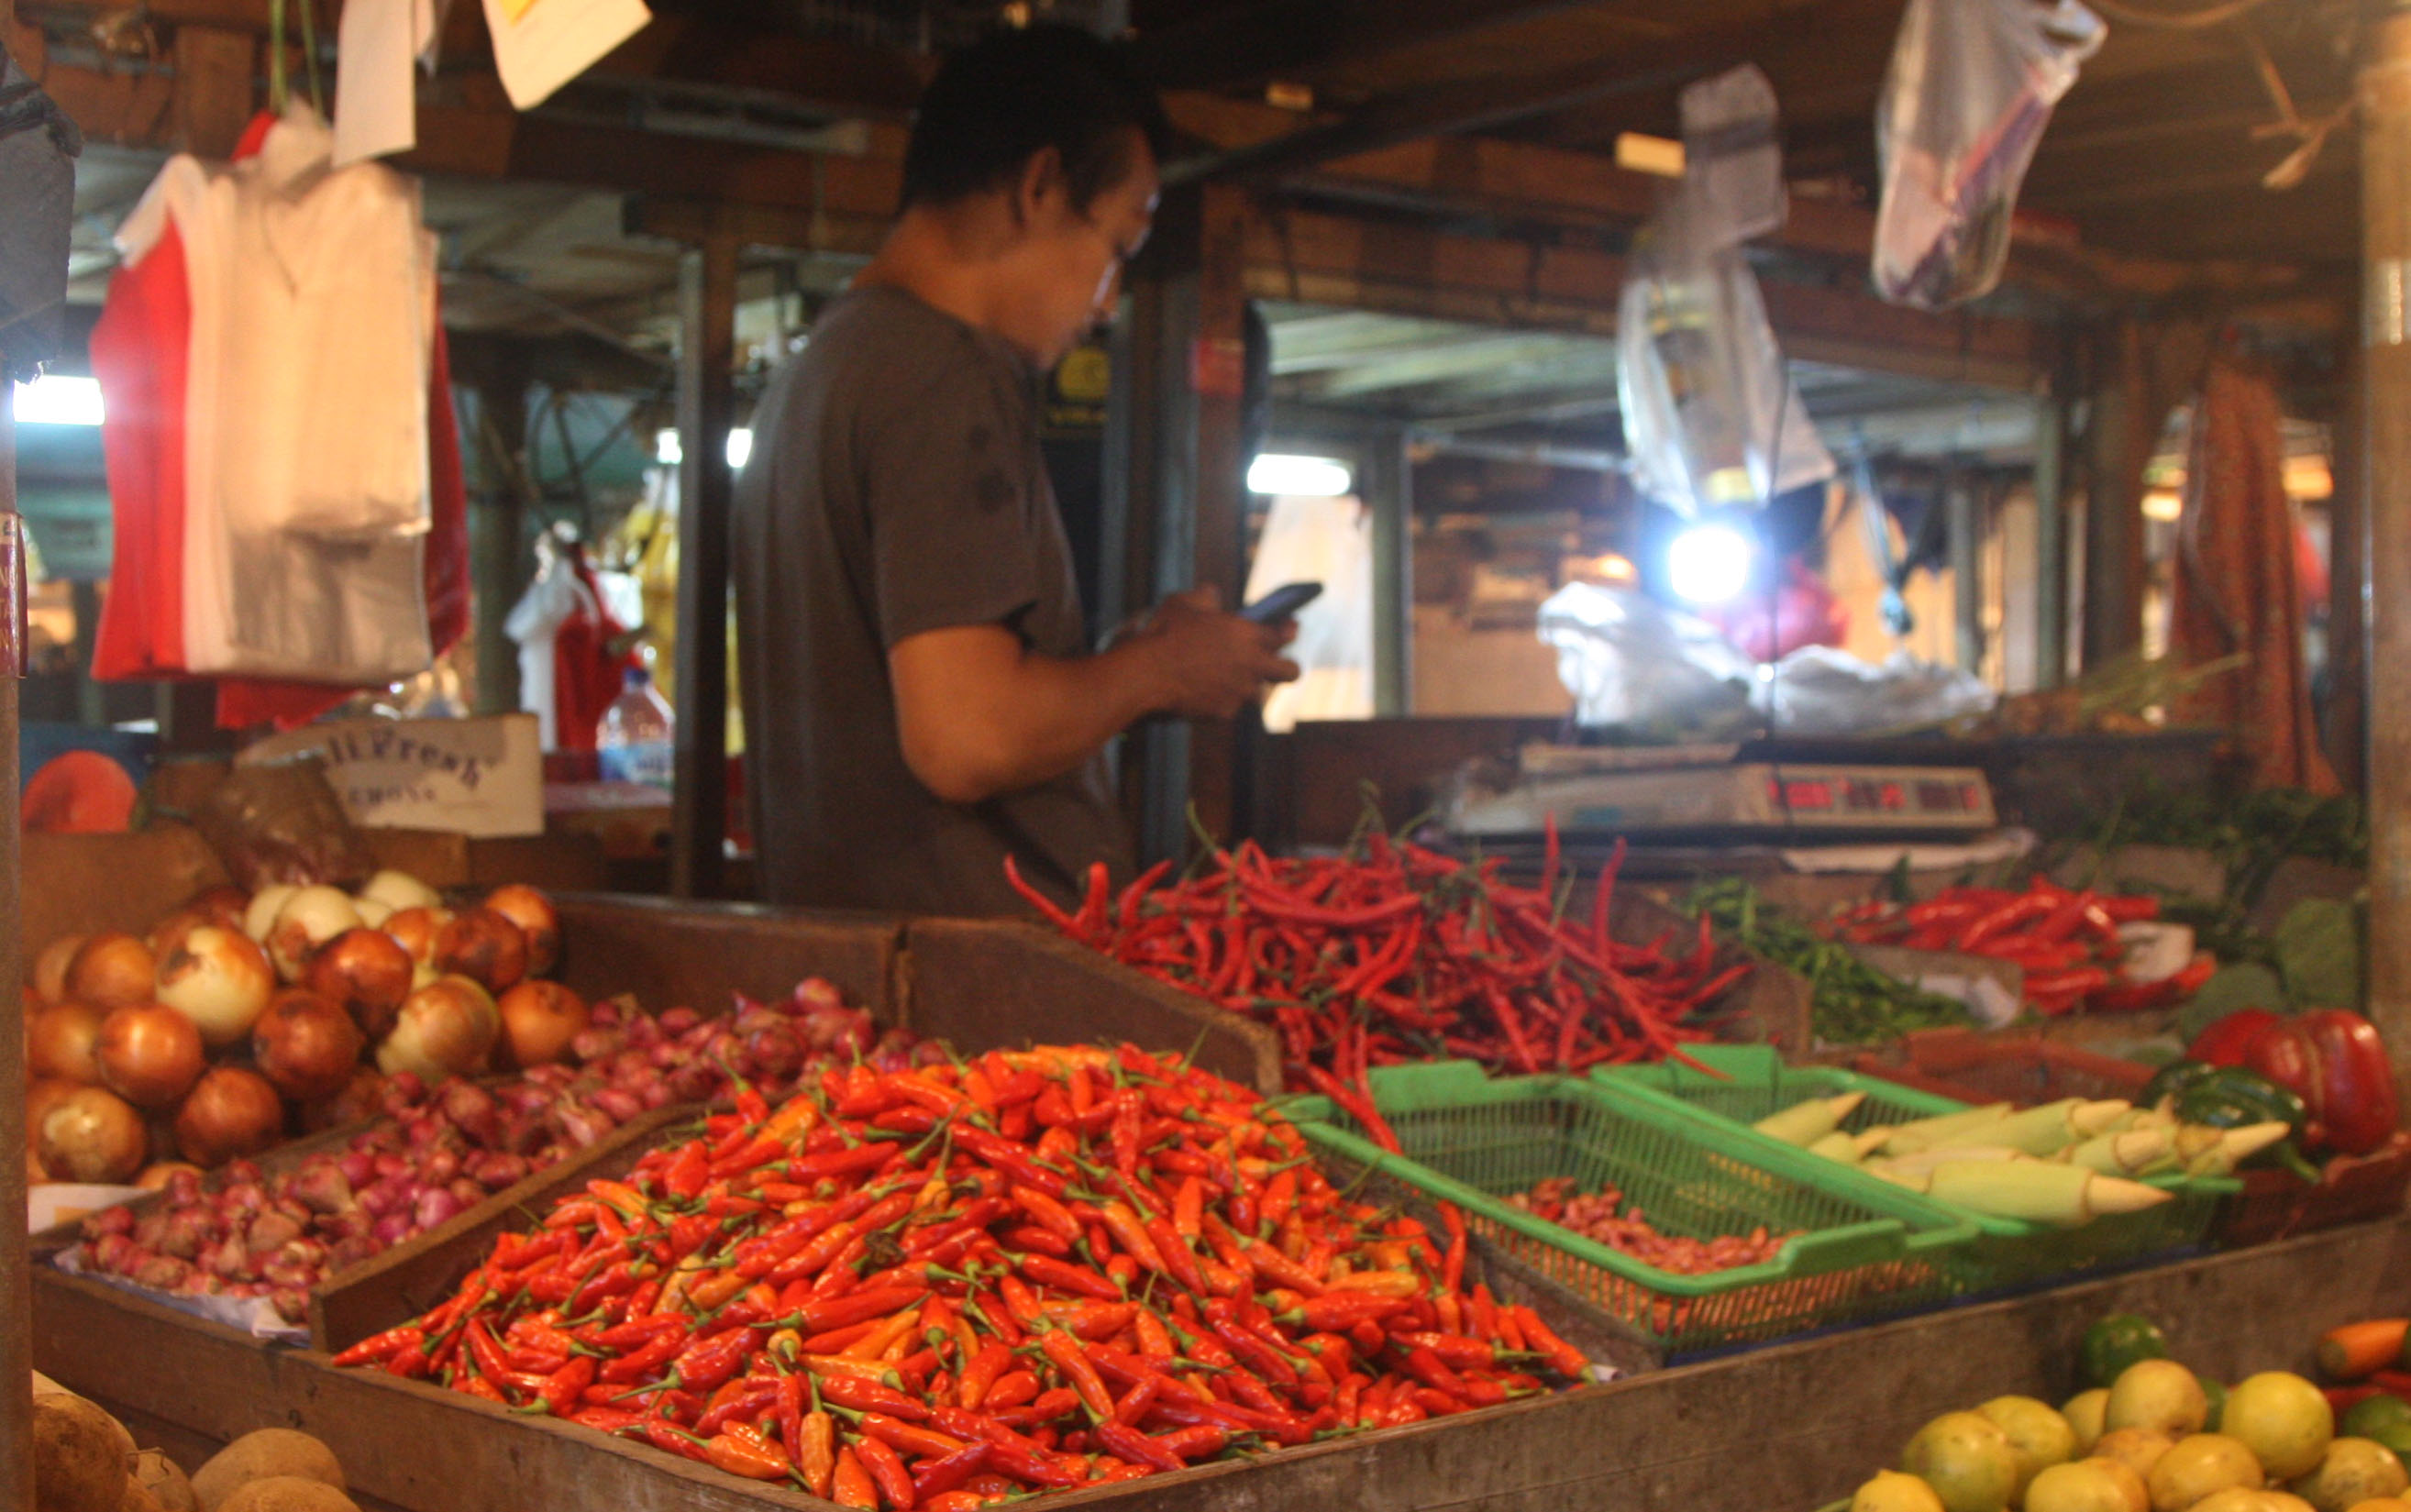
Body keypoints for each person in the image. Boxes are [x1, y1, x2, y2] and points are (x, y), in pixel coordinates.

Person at [734, 25, 1298, 917]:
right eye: (1115, 245)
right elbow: (969, 735)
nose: (1108, 300)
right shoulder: (939, 375)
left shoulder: (828, 363)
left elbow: (935, 698)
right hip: (982, 1003)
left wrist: (1122, 663)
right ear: (1038, 186)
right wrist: (1161, 669)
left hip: (869, 973)